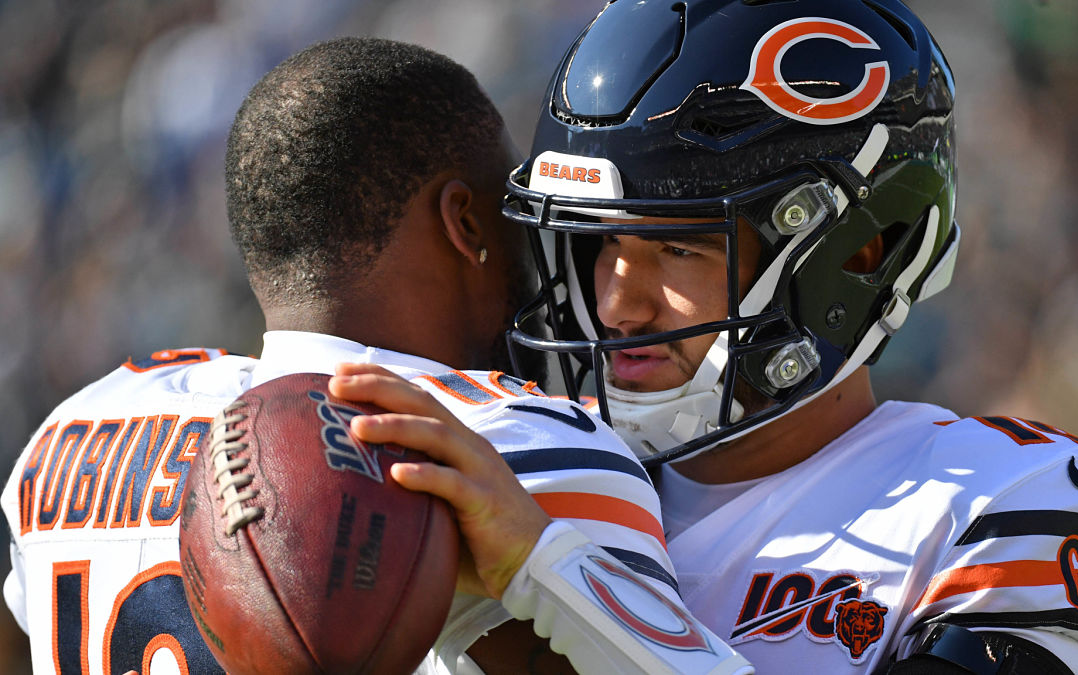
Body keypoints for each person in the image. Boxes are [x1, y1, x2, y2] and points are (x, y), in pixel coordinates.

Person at [2, 37, 750, 674]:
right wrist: (539, 560)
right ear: (465, 221)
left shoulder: (77, 427)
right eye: (507, 212)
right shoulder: (513, 446)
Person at [502, 0, 1078, 672]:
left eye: (679, 248)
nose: (618, 304)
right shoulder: (533, 468)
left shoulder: (1000, 508)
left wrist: (555, 583)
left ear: (860, 252)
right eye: (599, 241)